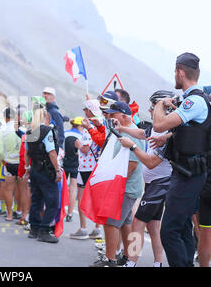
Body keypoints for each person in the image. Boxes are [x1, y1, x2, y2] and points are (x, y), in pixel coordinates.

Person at [152, 52, 210, 267]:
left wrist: (160, 105)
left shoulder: (194, 101)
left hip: (189, 174)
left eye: (175, 71)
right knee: (183, 227)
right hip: (185, 171)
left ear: (180, 72)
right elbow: (192, 131)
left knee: (169, 231)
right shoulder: (192, 100)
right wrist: (169, 137)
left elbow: (159, 125)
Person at [116, 90, 176, 267]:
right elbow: (142, 133)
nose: (150, 110)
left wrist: (133, 147)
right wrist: (121, 128)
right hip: (153, 184)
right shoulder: (157, 128)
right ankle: (158, 263)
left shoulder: (169, 135)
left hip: (161, 183)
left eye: (153, 106)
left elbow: (150, 163)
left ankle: (131, 262)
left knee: (137, 222)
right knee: (153, 227)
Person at [90, 101, 145, 267]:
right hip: (126, 187)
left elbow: (132, 165)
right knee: (125, 223)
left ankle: (110, 259)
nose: (110, 117)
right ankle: (126, 257)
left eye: (113, 114)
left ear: (123, 115)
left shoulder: (132, 134)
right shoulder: (124, 131)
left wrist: (113, 186)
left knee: (110, 221)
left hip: (124, 187)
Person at [24, 105, 62, 243]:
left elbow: (27, 153)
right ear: (45, 117)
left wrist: (27, 168)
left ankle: (34, 228)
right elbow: (52, 152)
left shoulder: (29, 131)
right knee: (52, 202)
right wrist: (57, 170)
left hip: (34, 169)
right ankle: (44, 230)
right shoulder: (47, 131)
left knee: (37, 199)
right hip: (46, 170)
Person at [70, 104, 103, 240]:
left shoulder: (91, 126)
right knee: (96, 199)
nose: (83, 111)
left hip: (87, 167)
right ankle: (96, 228)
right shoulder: (99, 124)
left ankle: (84, 228)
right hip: (92, 167)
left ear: (90, 111)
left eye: (85, 109)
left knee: (83, 198)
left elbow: (85, 149)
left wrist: (77, 143)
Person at [0, 107, 22, 221]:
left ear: (5, 117)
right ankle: (19, 211)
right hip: (21, 163)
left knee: (8, 189)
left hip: (8, 163)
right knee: (21, 188)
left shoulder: (3, 130)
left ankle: (9, 214)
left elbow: (0, 151)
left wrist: (0, 161)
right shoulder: (22, 129)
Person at [62, 117, 83, 223]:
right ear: (80, 126)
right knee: (73, 188)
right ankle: (69, 214)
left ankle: (59, 210)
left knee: (62, 187)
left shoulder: (65, 133)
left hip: (64, 162)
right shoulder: (81, 136)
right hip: (76, 164)